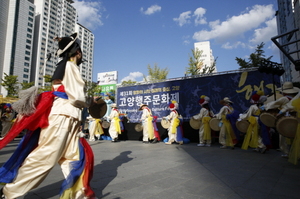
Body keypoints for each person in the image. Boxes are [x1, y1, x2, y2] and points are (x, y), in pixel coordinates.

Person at [0, 33, 96, 198]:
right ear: (77, 51)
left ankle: (79, 193)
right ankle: (9, 191)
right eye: (80, 52)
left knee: (72, 157)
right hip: (63, 116)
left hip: (68, 116)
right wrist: (90, 100)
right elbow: (77, 96)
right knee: (46, 156)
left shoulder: (65, 66)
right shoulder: (70, 66)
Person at [261, 82, 300, 158]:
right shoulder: (295, 98)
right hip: (296, 119)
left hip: (285, 120)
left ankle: (288, 153)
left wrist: (265, 107)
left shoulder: (284, 98)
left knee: (284, 137)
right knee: (296, 137)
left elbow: (274, 104)